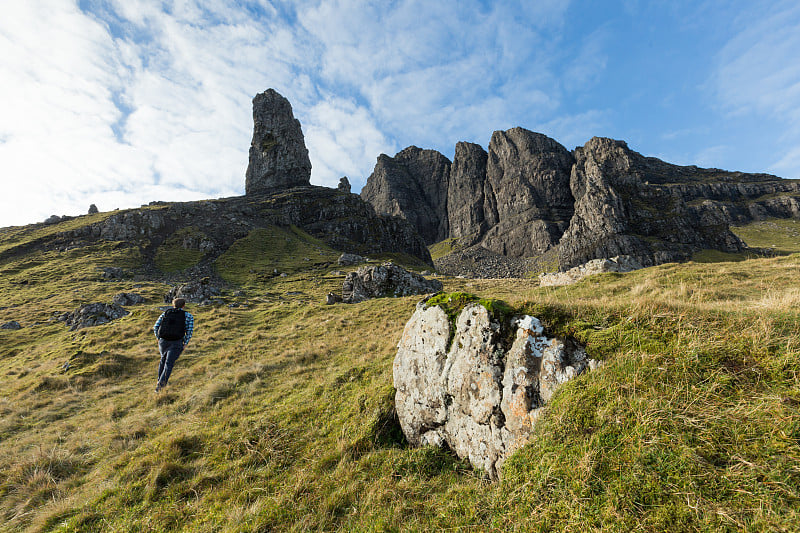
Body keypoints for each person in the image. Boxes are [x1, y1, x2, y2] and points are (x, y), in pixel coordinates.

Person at [153, 298, 194, 392]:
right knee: (169, 363)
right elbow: (189, 331)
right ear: (183, 305)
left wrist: (158, 338)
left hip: (163, 341)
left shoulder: (166, 313)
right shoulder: (188, 316)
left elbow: (155, 326)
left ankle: (159, 381)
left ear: (173, 305)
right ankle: (159, 388)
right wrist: (185, 343)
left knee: (163, 360)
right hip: (177, 342)